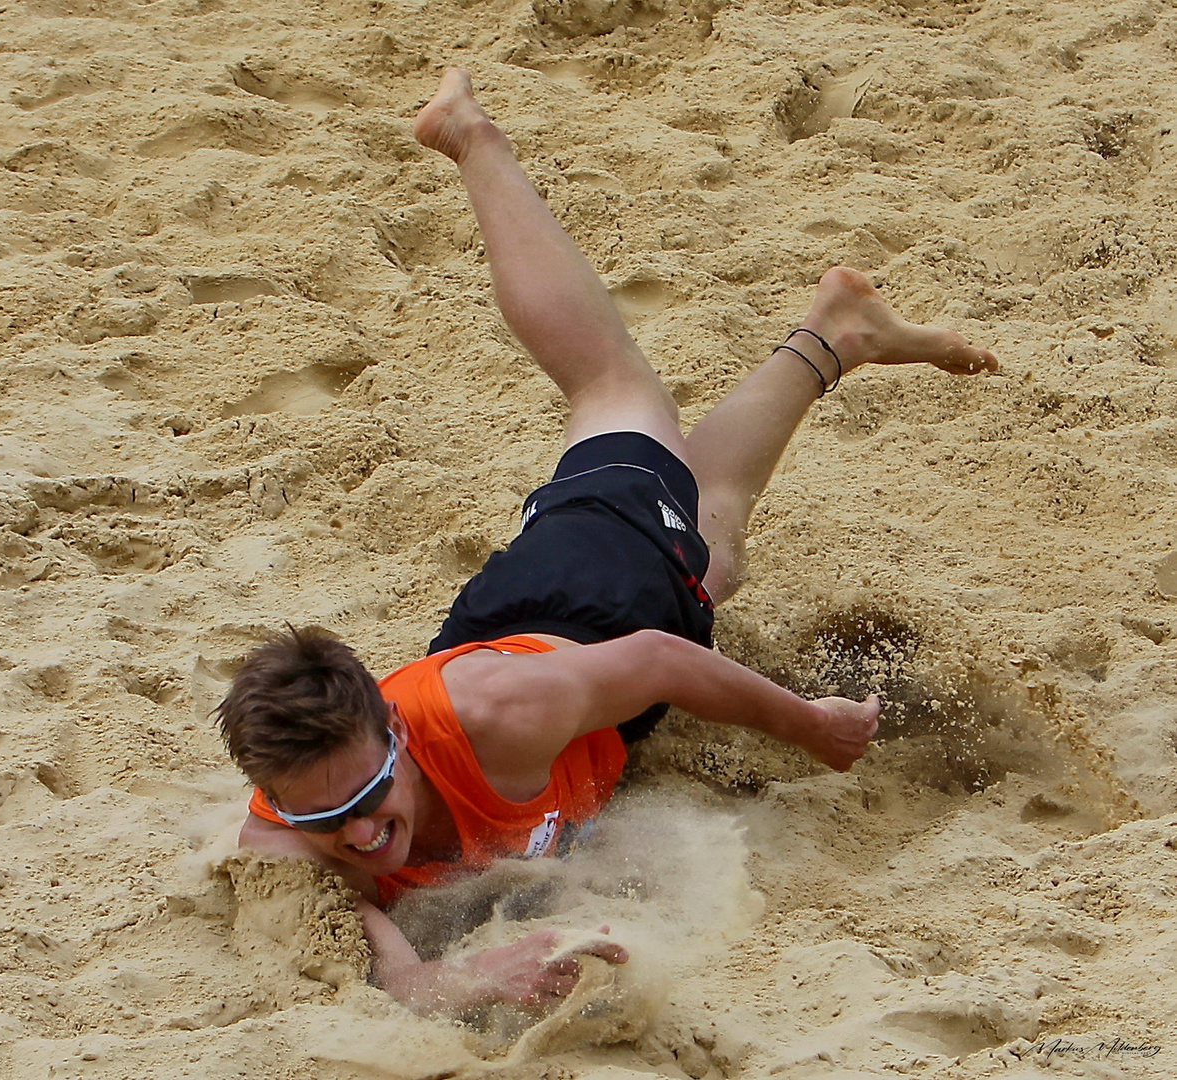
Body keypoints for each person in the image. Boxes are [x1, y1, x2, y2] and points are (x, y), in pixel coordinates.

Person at [215, 69, 998, 1016]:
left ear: (393, 734)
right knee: (714, 544)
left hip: (587, 594)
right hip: (556, 668)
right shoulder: (294, 826)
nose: (359, 836)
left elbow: (664, 660)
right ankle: (837, 333)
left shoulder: (508, 713)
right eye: (325, 817)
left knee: (615, 394)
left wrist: (809, 723)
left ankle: (471, 136)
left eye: (370, 797)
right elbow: (379, 951)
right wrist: (455, 979)